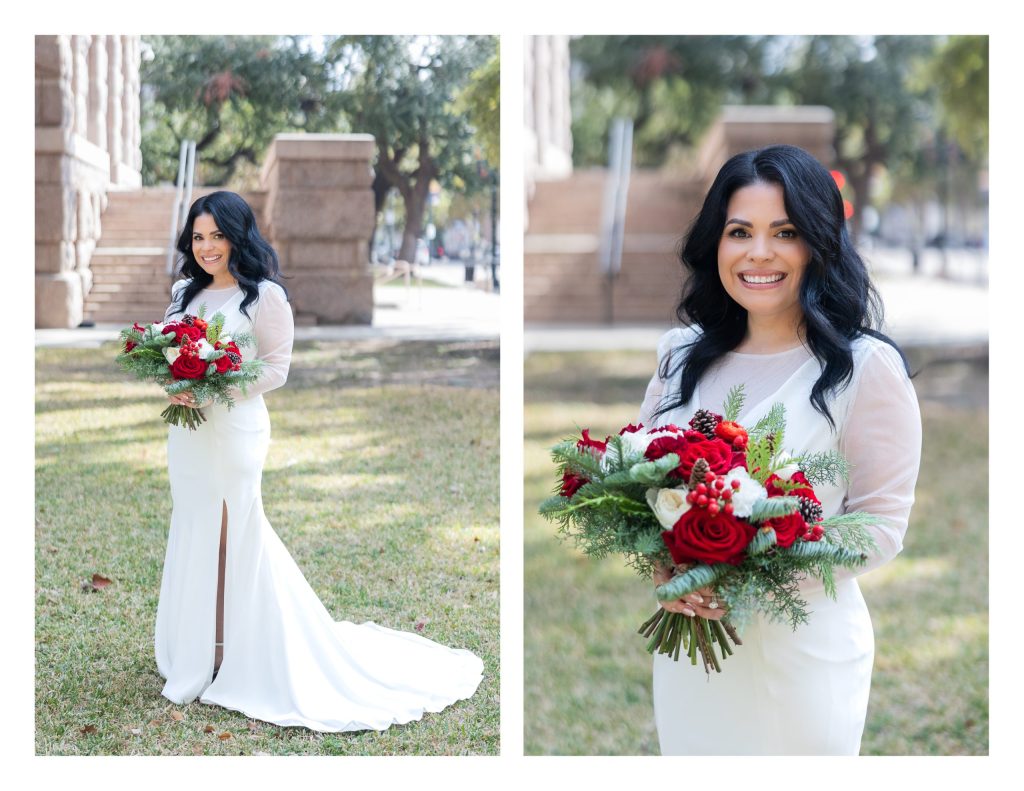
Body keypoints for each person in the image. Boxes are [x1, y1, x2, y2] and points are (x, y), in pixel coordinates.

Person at [156, 191, 483, 732]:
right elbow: (166, 353)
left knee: (232, 530)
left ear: (239, 235)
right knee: (194, 527)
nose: (207, 247)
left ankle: (235, 650)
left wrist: (215, 388)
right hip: (189, 436)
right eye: (198, 237)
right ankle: (198, 647)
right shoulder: (182, 295)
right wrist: (177, 384)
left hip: (236, 430)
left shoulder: (263, 298)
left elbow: (275, 369)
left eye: (217, 235)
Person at [637, 145, 921, 755]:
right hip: (691, 652)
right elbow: (643, 490)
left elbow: (882, 522)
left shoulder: (863, 368)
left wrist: (751, 562)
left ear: (818, 244)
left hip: (804, 653)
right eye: (740, 231)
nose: (758, 253)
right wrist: (667, 568)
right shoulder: (679, 355)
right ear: (716, 242)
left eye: (784, 232)